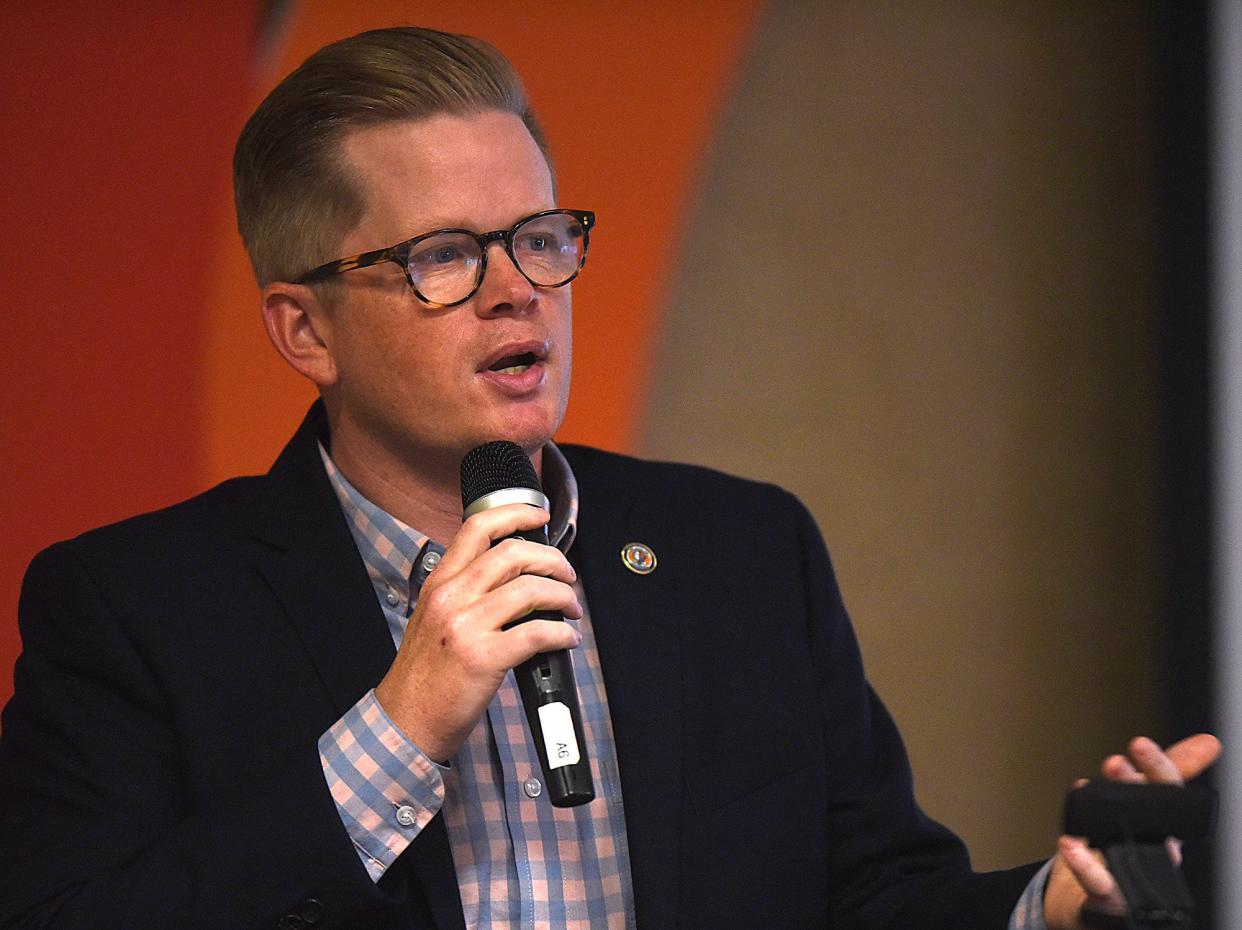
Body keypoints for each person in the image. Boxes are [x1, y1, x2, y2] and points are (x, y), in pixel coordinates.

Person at [0, 25, 1218, 930]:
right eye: (442, 256)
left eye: (539, 236)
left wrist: (1051, 901)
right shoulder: (133, 608)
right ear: (303, 331)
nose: (519, 287)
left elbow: (874, 899)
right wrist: (399, 725)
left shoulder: (740, 553)